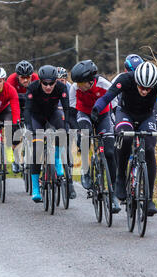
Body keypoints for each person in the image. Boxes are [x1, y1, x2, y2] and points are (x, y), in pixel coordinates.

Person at [93, 61, 157, 216]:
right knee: (125, 138)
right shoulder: (126, 79)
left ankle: (149, 198)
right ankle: (121, 177)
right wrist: (96, 109)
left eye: (148, 89)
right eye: (141, 87)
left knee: (149, 148)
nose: (144, 91)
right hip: (126, 114)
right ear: (136, 81)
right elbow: (108, 97)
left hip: (146, 116)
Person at [69, 60, 120, 213]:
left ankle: (113, 192)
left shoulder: (104, 85)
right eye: (76, 82)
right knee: (85, 137)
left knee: (110, 152)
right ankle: (85, 171)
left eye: (81, 82)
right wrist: (77, 131)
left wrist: (116, 127)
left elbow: (116, 108)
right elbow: (71, 113)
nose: (78, 85)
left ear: (91, 81)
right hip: (83, 114)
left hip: (103, 115)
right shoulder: (74, 88)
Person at [24, 65, 68, 203]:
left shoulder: (61, 87)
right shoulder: (32, 88)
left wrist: (67, 126)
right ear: (40, 81)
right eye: (45, 83)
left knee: (62, 130)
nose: (48, 87)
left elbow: (67, 109)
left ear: (56, 81)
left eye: (51, 83)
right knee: (37, 152)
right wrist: (30, 128)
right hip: (36, 117)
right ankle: (36, 188)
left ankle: (56, 158)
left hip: (52, 114)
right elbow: (27, 111)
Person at [7, 60, 39, 173]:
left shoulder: (36, 79)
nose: (25, 80)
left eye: (28, 77)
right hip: (16, 105)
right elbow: (9, 100)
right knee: (14, 130)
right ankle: (15, 160)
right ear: (17, 76)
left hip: (31, 104)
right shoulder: (11, 80)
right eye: (22, 77)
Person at [57, 66, 77, 199]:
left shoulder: (70, 88)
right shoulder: (50, 88)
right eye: (58, 80)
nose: (60, 83)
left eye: (62, 80)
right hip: (52, 116)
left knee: (69, 135)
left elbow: (73, 108)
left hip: (66, 116)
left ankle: (69, 181)